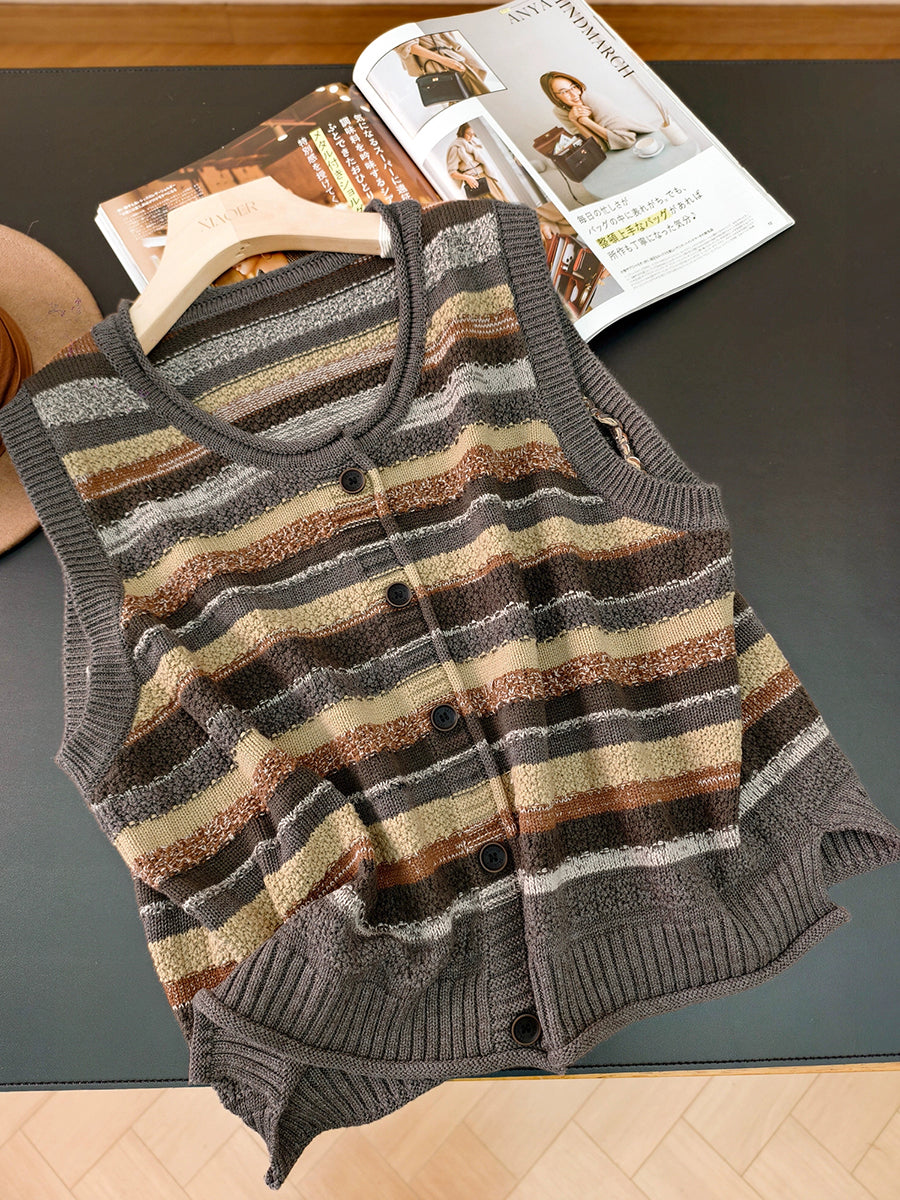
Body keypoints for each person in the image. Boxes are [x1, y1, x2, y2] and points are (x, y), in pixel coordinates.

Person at [539, 71, 658, 150]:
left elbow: (624, 141)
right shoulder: (560, 112)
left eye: (574, 87)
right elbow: (599, 147)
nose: (574, 94)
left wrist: (585, 121)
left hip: (648, 139)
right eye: (564, 92)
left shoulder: (592, 98)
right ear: (555, 97)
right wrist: (574, 121)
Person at [396, 33, 492, 99]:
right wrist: (444, 60)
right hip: (439, 62)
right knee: (480, 96)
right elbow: (407, 46)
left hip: (451, 57)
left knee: (462, 98)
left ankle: (468, 125)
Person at [445, 124, 507, 201]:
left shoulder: (472, 144)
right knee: (492, 204)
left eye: (473, 134)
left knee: (502, 201)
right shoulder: (456, 148)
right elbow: (452, 172)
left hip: (485, 177)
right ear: (462, 132)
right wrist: (467, 178)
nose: (471, 136)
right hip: (474, 182)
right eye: (468, 133)